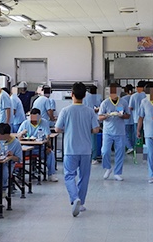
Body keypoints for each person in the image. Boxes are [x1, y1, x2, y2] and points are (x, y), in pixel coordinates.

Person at [55, 82, 100, 217]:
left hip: (70, 149)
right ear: (84, 95)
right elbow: (96, 129)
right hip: (86, 150)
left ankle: (75, 198)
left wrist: (68, 128)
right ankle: (81, 203)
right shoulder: (90, 111)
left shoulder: (65, 111)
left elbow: (57, 129)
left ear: (72, 94)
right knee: (84, 177)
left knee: (69, 175)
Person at [98, 83, 130, 181]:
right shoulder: (105, 103)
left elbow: (128, 115)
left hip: (120, 131)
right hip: (108, 131)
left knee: (120, 153)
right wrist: (107, 116)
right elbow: (100, 117)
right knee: (105, 151)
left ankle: (117, 172)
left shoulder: (123, 102)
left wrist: (122, 116)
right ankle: (108, 168)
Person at [17, 108, 58, 182]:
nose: (34, 121)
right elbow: (18, 137)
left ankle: (51, 174)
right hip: (27, 148)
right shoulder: (25, 123)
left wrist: (48, 147)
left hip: (39, 148)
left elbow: (47, 136)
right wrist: (22, 133)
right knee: (16, 154)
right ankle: (17, 173)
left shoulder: (44, 122)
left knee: (50, 154)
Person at [0, 123, 23, 189]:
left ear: (7, 135)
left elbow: (19, 159)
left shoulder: (16, 143)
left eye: (0, 136)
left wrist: (12, 156)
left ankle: (3, 188)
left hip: (8, 164)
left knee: (3, 171)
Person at [83, 86, 102, 164]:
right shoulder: (91, 97)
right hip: (92, 120)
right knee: (93, 140)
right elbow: (94, 109)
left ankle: (86, 157)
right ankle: (93, 158)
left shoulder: (84, 97)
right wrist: (97, 109)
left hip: (84, 121)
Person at [127, 81, 146, 154]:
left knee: (138, 136)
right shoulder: (146, 95)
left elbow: (130, 107)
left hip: (136, 118)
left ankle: (139, 152)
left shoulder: (133, 96)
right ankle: (147, 151)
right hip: (146, 119)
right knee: (146, 136)